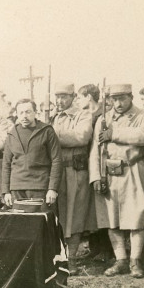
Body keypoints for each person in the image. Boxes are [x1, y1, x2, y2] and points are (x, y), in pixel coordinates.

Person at [88, 84, 144, 278]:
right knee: (112, 218)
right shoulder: (104, 118)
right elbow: (96, 149)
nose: (117, 103)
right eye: (114, 99)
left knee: (137, 217)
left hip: (133, 169)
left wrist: (115, 133)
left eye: (122, 99)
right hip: (109, 173)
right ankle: (121, 260)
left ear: (131, 97)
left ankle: (136, 260)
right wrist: (95, 176)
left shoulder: (143, 115)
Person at [52, 83, 95, 273]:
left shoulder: (83, 115)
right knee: (59, 215)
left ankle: (73, 259)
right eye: (57, 97)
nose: (60, 101)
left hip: (76, 171)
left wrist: (51, 135)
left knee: (75, 215)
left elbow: (81, 137)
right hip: (57, 171)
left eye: (64, 96)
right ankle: (60, 257)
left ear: (73, 97)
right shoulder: (54, 117)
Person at [2, 99, 61, 209]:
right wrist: (6, 191)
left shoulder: (46, 131)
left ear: (35, 112)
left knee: (40, 223)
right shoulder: (11, 134)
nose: (24, 116)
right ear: (17, 114)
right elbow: (6, 164)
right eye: (21, 112)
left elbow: (56, 160)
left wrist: (52, 189)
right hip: (17, 189)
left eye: (28, 112)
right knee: (19, 223)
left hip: (40, 187)